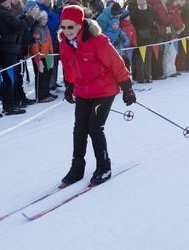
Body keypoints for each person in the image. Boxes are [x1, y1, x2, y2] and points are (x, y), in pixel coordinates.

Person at [58, 5, 136, 186]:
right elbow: (68, 67)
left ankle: (104, 166)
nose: (67, 31)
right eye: (63, 27)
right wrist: (70, 86)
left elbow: (116, 64)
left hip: (104, 89)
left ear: (80, 25)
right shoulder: (64, 44)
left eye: (71, 27)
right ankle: (77, 167)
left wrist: (127, 88)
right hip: (82, 90)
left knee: (94, 127)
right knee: (79, 129)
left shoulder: (97, 41)